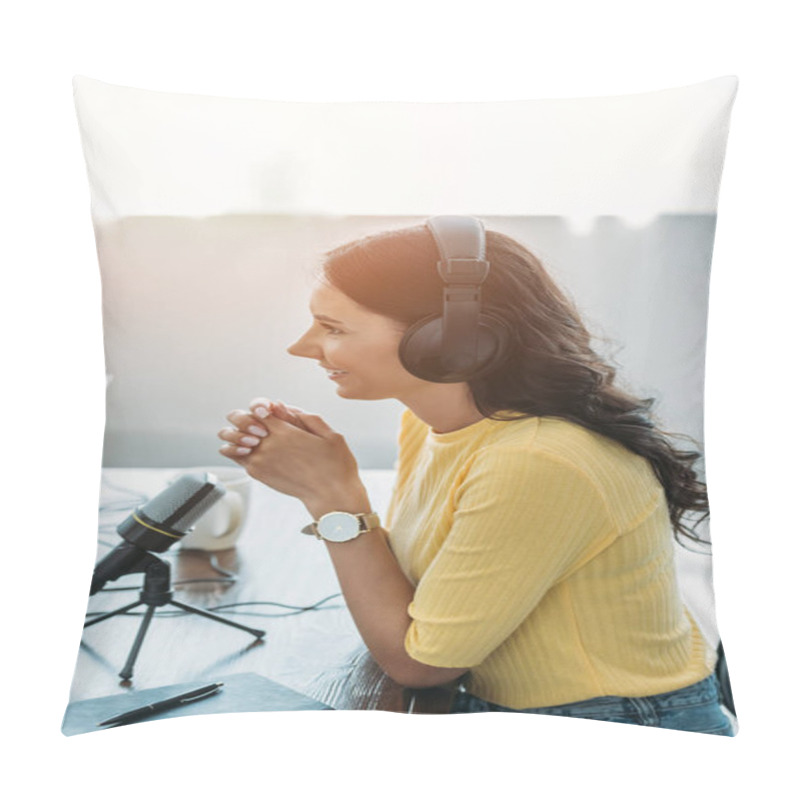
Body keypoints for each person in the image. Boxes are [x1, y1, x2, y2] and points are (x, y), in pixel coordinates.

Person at [217, 221, 735, 736]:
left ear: (448, 340)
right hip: (504, 707)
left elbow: (421, 662)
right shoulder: (433, 425)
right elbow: (425, 593)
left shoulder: (538, 460)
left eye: (333, 329)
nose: (302, 348)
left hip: (612, 727)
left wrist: (330, 496)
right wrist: (323, 481)